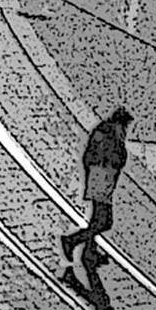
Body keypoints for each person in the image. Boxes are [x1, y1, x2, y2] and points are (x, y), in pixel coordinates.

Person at [61, 107, 134, 267]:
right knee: (104, 221)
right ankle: (72, 240)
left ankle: (89, 252)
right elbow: (114, 157)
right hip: (101, 178)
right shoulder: (111, 133)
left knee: (97, 219)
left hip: (102, 178)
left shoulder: (106, 131)